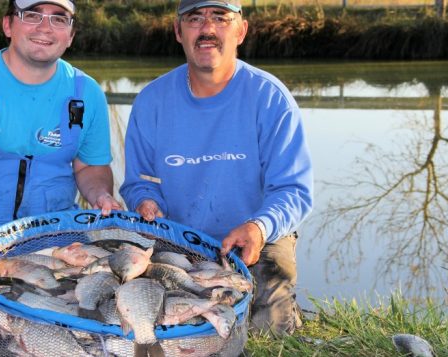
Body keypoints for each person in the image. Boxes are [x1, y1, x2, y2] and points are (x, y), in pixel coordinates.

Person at [120, 0, 314, 337]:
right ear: (178, 31)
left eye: (220, 18)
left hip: (258, 238)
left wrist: (259, 226)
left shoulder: (271, 99)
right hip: (179, 238)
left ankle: (282, 308)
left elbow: (294, 192)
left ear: (241, 30)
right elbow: (140, 181)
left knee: (267, 333)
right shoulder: (151, 101)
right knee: (168, 326)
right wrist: (146, 201)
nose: (207, 29)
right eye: (195, 18)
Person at [0, 0, 121, 327]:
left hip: (54, 232)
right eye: (32, 15)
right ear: (8, 25)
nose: (45, 28)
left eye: (59, 19)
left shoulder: (86, 92)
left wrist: (100, 194)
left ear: (71, 35)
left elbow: (90, 167)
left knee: (71, 320)